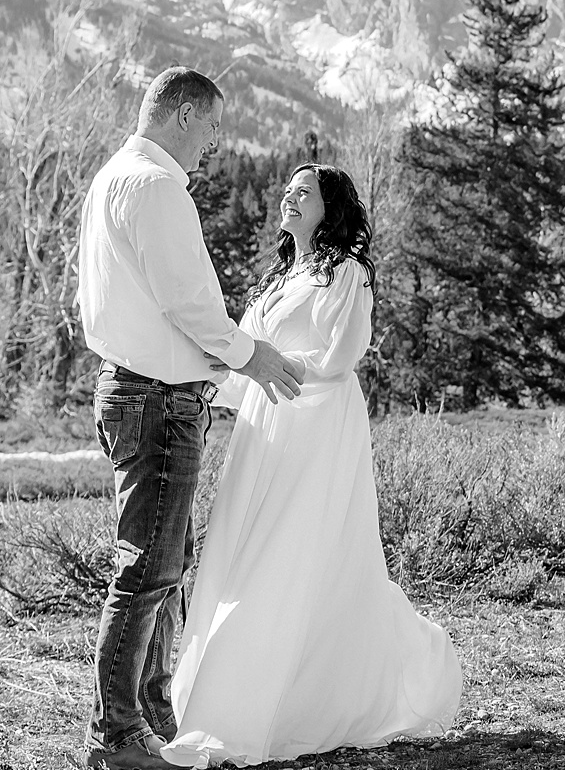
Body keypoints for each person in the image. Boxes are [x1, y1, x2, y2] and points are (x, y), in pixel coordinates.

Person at [164, 163, 462, 767]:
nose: (289, 198)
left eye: (304, 192)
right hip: (263, 428)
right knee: (244, 552)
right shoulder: (278, 278)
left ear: (331, 207)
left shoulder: (345, 274)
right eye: (288, 191)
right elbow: (238, 353)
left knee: (293, 553)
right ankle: (243, 688)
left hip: (315, 425)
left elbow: (337, 356)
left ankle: (264, 706)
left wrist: (269, 364)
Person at [77, 66, 307, 770]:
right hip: (157, 398)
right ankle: (114, 735)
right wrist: (250, 355)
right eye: (210, 126)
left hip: (138, 390)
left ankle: (148, 711)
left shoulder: (115, 176)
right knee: (147, 566)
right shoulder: (154, 186)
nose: (213, 143)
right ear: (180, 114)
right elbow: (188, 302)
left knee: (164, 563)